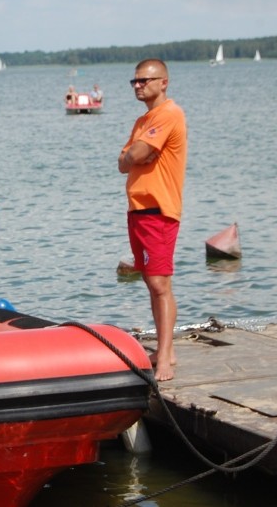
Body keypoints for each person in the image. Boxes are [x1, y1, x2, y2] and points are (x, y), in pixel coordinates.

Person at [117, 59, 187, 382]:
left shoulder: (169, 114)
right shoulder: (143, 120)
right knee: (150, 281)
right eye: (135, 81)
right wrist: (136, 153)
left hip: (159, 210)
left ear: (164, 82)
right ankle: (164, 349)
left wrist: (137, 153)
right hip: (138, 210)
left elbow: (138, 154)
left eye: (145, 80)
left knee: (160, 283)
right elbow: (123, 161)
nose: (138, 85)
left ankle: (166, 360)